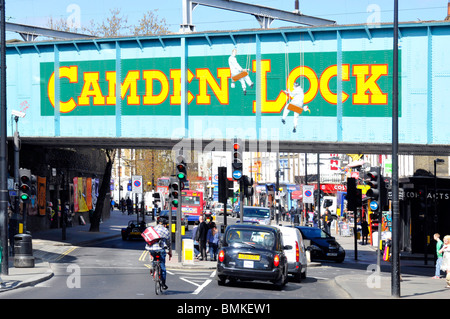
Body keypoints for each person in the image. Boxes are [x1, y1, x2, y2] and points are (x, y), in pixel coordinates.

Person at [145, 219, 172, 290]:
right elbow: (169, 242)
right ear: (165, 224)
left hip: (151, 248)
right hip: (160, 249)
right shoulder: (165, 230)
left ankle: (153, 267)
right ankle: (163, 284)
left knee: (154, 258)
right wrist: (170, 251)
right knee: (162, 265)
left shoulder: (153, 229)